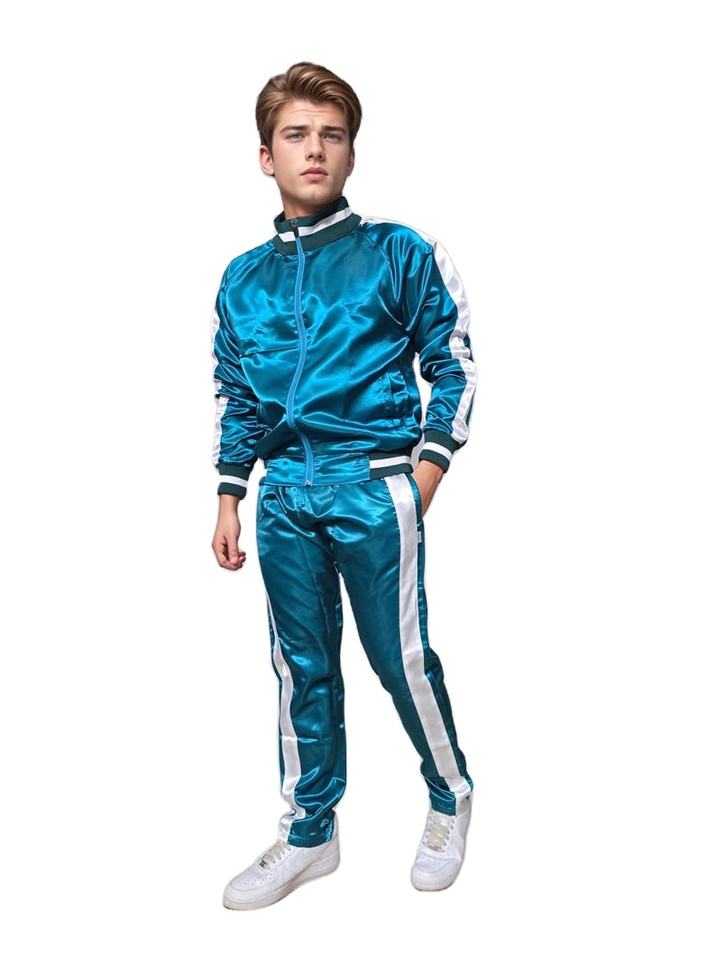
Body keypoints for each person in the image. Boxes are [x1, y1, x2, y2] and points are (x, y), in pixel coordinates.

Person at [210, 61, 477, 910]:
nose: (315, 149)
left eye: (332, 135)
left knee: (400, 659)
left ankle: (450, 795)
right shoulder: (242, 279)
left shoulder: (397, 252)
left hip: (374, 485)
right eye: (296, 135)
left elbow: (453, 363)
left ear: (352, 154)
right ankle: (310, 832)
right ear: (267, 157)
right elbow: (236, 394)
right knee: (301, 668)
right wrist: (229, 493)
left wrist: (425, 471)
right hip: (284, 494)